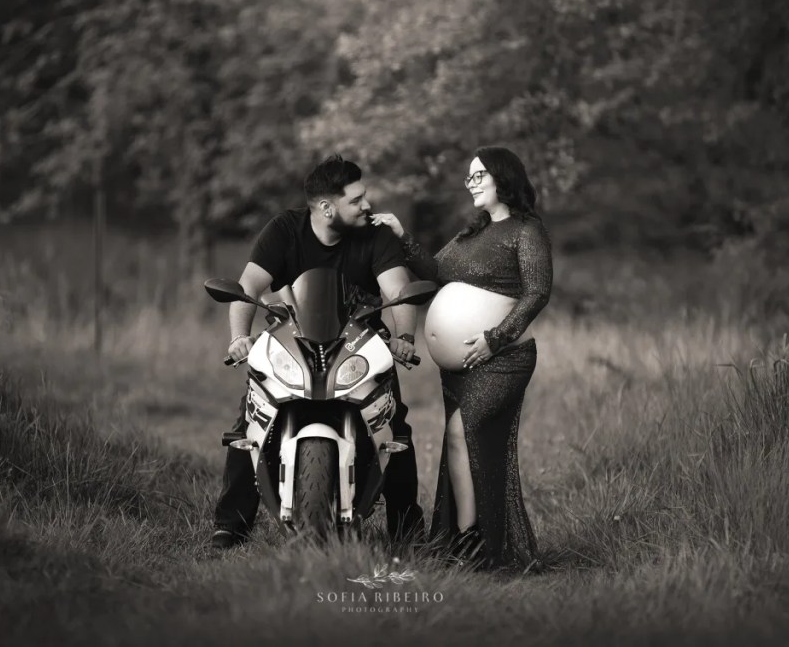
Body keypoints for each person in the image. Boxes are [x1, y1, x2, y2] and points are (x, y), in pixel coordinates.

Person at [211, 154, 425, 550]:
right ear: (327, 208)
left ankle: (407, 531)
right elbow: (248, 287)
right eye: (356, 199)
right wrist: (239, 337)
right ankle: (230, 526)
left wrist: (404, 338)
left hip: (360, 342)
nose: (367, 205)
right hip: (294, 338)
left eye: (365, 197)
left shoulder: (375, 235)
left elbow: (397, 291)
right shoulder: (284, 230)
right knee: (253, 415)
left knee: (394, 425)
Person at [370, 145, 552, 571]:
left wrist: (496, 337)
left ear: (503, 178)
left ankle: (473, 542)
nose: (470, 183)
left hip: (502, 359)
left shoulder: (526, 232)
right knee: (466, 443)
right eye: (468, 176)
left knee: (461, 433)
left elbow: (537, 292)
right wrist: (401, 236)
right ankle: (471, 540)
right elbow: (435, 272)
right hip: (461, 369)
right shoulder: (472, 233)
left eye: (478, 175)